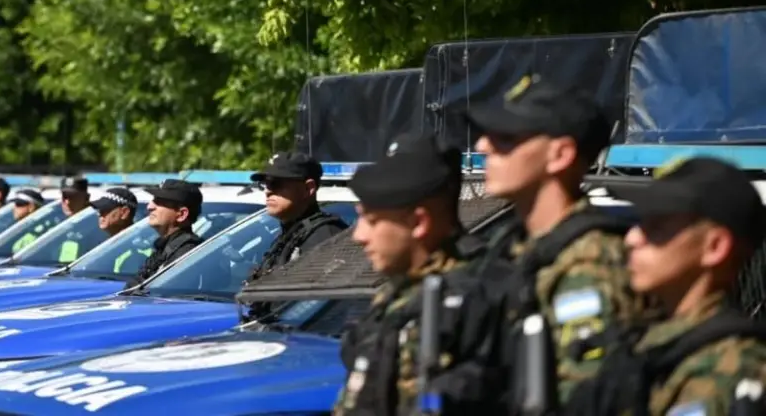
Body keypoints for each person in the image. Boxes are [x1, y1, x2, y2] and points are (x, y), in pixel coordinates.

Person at [468, 75, 651, 410]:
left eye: (507, 138)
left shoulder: (590, 263)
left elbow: (590, 399)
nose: (483, 146)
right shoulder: (511, 248)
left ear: (560, 154)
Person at [567, 158, 766, 416]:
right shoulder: (646, 342)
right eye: (640, 223)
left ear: (715, 247)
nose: (632, 239)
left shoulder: (728, 366)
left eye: (657, 228)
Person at [333, 135, 512, 416]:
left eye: (372, 220)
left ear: (419, 222)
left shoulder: (480, 294)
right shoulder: (398, 291)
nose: (359, 236)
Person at [242, 151, 347, 320]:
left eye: (275, 184)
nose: (267, 191)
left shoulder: (326, 238)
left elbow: (319, 313)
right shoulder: (290, 234)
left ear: (308, 188)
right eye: (265, 184)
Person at [130, 179, 205, 286]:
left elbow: (162, 293)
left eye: (159, 202)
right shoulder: (166, 247)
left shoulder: (187, 253)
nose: (149, 207)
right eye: (153, 200)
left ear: (181, 214)